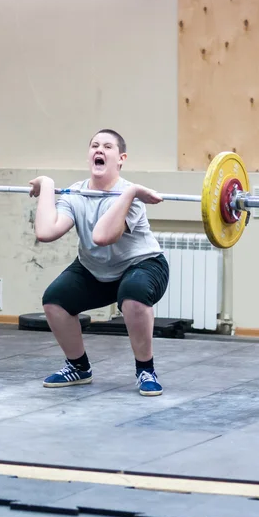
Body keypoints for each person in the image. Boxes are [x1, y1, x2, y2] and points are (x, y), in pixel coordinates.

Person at [29, 129, 169, 396]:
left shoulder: (133, 199)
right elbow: (46, 232)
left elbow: (103, 236)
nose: (99, 150)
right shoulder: (75, 194)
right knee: (54, 301)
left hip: (143, 265)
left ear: (121, 158)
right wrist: (47, 184)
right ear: (89, 155)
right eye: (95, 145)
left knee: (134, 296)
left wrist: (132, 192)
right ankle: (78, 367)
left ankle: (145, 370)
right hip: (96, 270)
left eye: (107, 146)